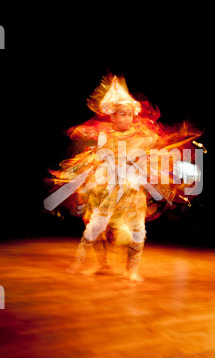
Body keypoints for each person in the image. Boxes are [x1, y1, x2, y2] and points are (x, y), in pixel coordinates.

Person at [44, 73, 203, 281]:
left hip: (131, 190)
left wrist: (180, 134)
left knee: (137, 231)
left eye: (129, 114)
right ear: (112, 116)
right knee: (94, 229)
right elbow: (91, 142)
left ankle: (132, 271)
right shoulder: (105, 133)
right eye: (121, 114)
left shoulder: (143, 134)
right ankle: (97, 264)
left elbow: (162, 141)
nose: (126, 118)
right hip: (106, 189)